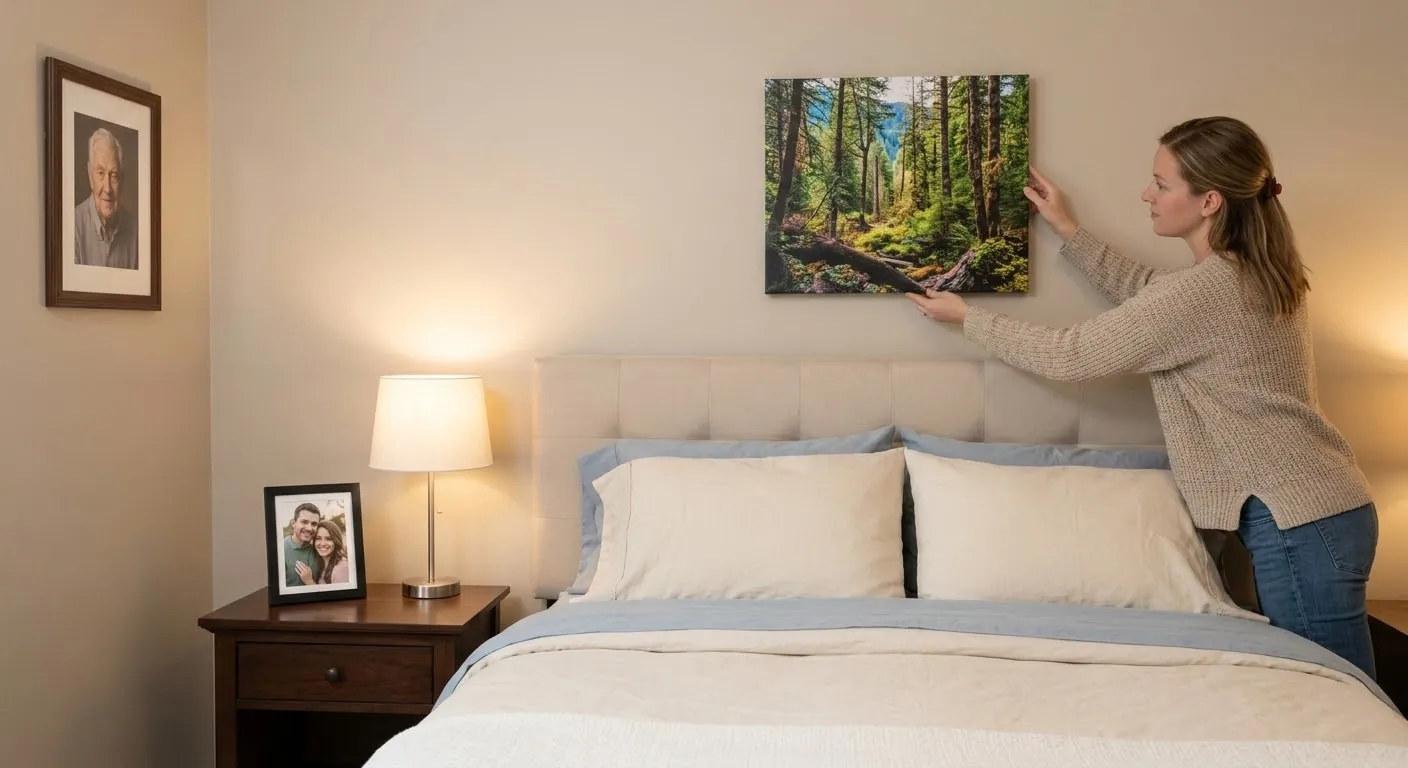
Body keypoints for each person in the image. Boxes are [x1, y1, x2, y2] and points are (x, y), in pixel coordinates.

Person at [906, 116, 1379, 679]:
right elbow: (1152, 295)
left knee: (1329, 688)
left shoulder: (1212, 288)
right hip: (1320, 508)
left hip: (1299, 521)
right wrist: (1069, 230)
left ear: (1209, 201)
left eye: (1161, 183)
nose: (1146, 195)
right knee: (1337, 688)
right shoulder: (1247, 271)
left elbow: (1072, 354)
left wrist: (968, 317)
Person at [73, 127, 138, 270]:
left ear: (122, 180)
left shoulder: (137, 232)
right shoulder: (71, 227)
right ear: (90, 176)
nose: (107, 188)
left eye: (114, 175)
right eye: (100, 173)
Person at [284, 502, 322, 588]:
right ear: (293, 523)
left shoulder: (318, 549)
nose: (309, 528)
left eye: (314, 524)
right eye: (304, 522)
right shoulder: (280, 550)